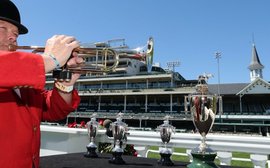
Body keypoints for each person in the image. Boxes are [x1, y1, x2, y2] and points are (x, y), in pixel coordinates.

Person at [0, 1, 84, 168]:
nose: (12, 37)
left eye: (16, 34)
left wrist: (65, 83)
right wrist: (51, 59)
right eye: (3, 28)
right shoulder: (19, 69)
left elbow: (52, 110)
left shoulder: (21, 77)